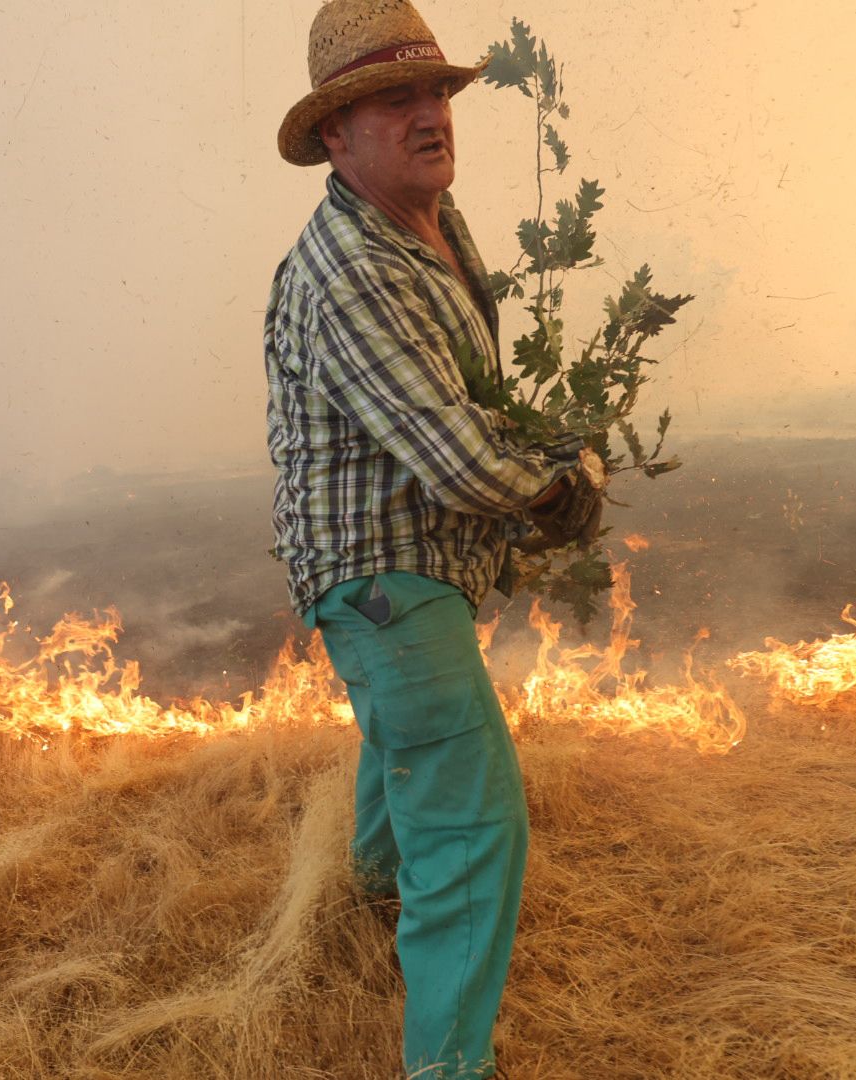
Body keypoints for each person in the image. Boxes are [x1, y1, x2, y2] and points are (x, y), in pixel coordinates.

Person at [264, 2, 605, 1077]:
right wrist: (557, 491)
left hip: (403, 576)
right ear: (336, 133)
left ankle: (367, 913)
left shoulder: (431, 223)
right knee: (472, 820)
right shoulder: (351, 267)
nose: (428, 116)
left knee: (411, 749)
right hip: (380, 578)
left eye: (436, 93)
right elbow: (452, 455)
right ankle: (449, 1066)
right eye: (393, 99)